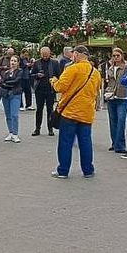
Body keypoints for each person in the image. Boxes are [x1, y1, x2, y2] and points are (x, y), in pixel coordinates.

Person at [50, 45, 102, 179]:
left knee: (65, 142)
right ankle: (88, 170)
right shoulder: (96, 73)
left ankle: (63, 171)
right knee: (85, 142)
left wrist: (54, 81)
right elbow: (96, 92)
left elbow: (60, 87)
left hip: (70, 111)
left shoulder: (72, 69)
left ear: (77, 54)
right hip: (86, 112)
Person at [104, 47, 127, 153]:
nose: (115, 58)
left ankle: (120, 145)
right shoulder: (110, 68)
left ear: (122, 56)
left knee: (121, 121)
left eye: (117, 55)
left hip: (122, 96)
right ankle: (114, 143)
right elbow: (109, 81)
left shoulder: (126, 67)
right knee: (112, 121)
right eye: (114, 56)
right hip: (111, 96)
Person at [31, 46, 61, 136]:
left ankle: (50, 128)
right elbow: (31, 75)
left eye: (46, 55)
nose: (45, 56)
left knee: (50, 110)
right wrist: (37, 75)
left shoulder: (55, 63)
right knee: (39, 110)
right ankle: (37, 128)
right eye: (43, 55)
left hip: (50, 90)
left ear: (49, 53)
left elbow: (59, 75)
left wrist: (54, 80)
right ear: (40, 54)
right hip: (39, 89)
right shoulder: (36, 63)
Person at [0, 55, 23, 142]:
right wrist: (6, 83)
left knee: (14, 115)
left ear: (18, 63)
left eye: (15, 61)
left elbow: (16, 81)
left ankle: (15, 134)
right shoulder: (6, 72)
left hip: (15, 94)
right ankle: (10, 132)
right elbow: (1, 82)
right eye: (12, 61)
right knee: (8, 114)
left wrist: (7, 83)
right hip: (6, 94)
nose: (13, 63)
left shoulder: (20, 71)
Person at [0, 48, 17, 114]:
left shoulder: (14, 60)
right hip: (3, 78)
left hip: (12, 79)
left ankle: (13, 108)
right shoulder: (2, 58)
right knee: (0, 94)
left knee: (13, 94)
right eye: (9, 53)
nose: (10, 55)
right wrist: (4, 67)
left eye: (11, 53)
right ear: (7, 52)